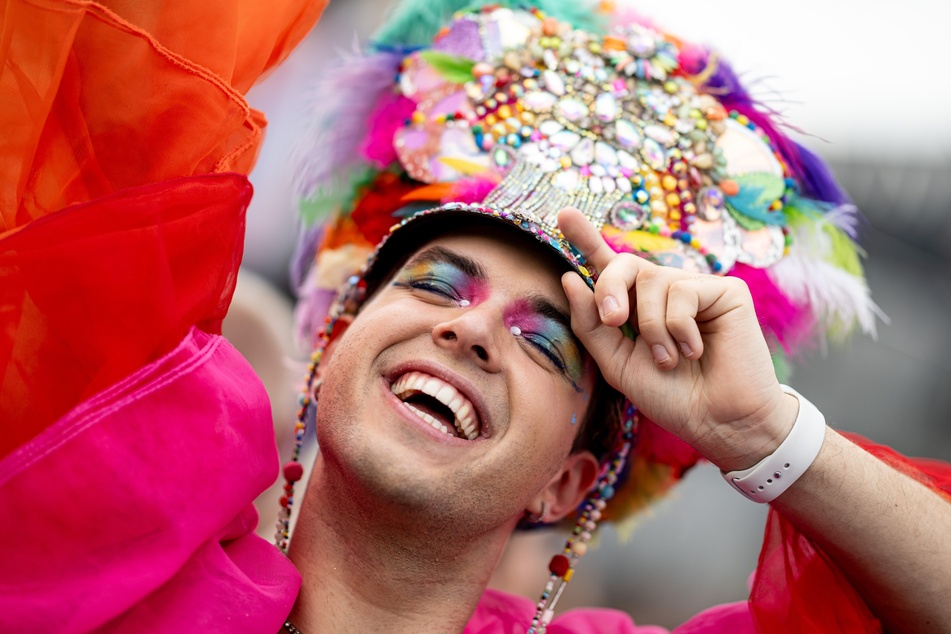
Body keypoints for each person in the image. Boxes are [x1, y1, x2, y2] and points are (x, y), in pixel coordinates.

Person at [0, 2, 948, 634]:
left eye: (544, 340)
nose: (468, 329)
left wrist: (761, 433)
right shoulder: (124, 566)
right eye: (432, 286)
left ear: (565, 484)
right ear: (329, 349)